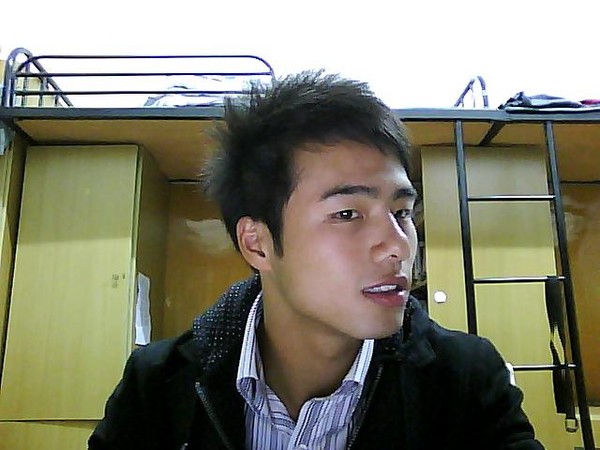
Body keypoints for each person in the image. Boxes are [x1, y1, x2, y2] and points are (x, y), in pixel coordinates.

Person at [89, 71, 544, 450]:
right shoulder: (158, 386)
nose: (398, 246)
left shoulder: (465, 381)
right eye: (347, 214)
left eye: (402, 212)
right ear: (257, 244)